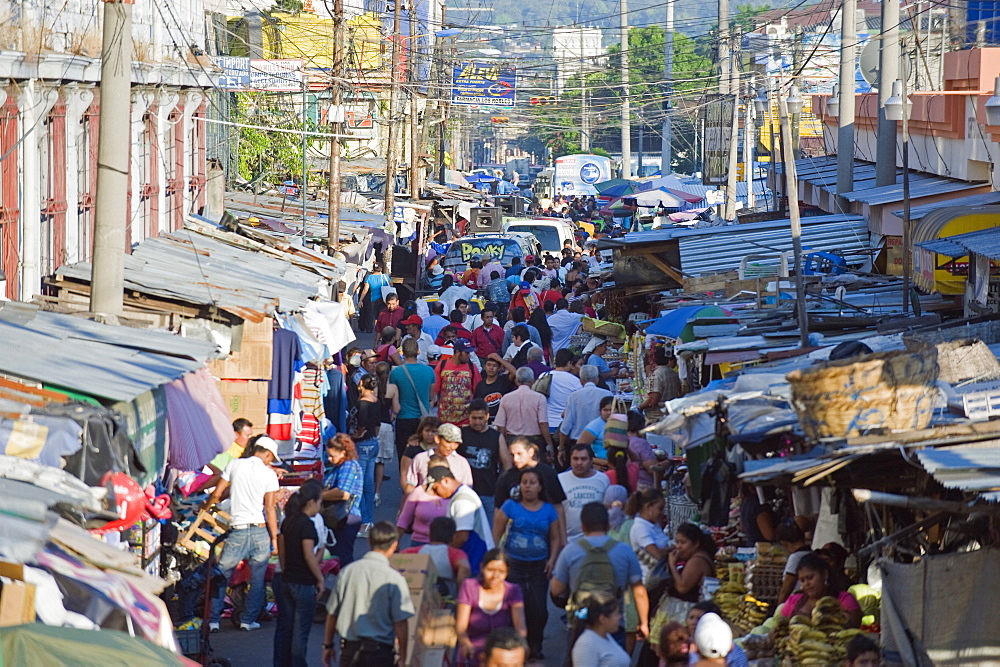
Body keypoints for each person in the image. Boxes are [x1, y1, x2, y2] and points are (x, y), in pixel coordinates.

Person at [202, 437, 281, 632]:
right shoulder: (269, 474)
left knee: (223, 574)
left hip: (237, 528)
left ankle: (213, 620)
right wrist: (274, 537)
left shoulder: (234, 464)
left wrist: (206, 507)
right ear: (268, 455)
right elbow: (270, 508)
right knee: (257, 579)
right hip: (259, 530)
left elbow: (218, 493)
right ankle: (248, 620)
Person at [551, 503, 649, 647]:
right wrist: (644, 623)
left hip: (581, 621)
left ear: (583, 527)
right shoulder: (624, 551)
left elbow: (556, 589)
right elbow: (639, 591)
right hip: (613, 622)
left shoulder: (570, 551)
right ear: (608, 526)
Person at [492, 467, 562, 662]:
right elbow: (496, 534)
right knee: (514, 607)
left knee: (538, 609)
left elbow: (556, 538)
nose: (528, 486)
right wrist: (498, 559)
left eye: (532, 482)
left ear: (540, 487)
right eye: (524, 482)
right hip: (513, 565)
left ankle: (535, 645)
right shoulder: (509, 506)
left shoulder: (548, 510)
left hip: (539, 567)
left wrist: (552, 559)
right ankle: (515, 648)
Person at [322, 522, 415, 667]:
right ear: (394, 545)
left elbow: (332, 613)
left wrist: (328, 645)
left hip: (349, 650)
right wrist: (403, 656)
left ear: (368, 541)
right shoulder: (394, 578)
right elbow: (401, 622)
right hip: (380, 653)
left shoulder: (348, 572)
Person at [274, 479, 325, 667]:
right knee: (300, 631)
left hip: (286, 579)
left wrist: (285, 567)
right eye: (319, 503)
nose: (320, 508)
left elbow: (281, 548)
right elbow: (308, 555)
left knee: (285, 627)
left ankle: (281, 663)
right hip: (303, 582)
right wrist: (320, 578)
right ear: (311, 502)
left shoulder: (288, 520)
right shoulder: (308, 525)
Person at [456, 550, 527, 666]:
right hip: (473, 649)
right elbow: (461, 626)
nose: (495, 576)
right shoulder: (469, 586)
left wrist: (518, 648)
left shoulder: (513, 590)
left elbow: (520, 626)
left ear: (507, 572)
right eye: (490, 570)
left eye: (501, 572)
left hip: (502, 650)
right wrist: (466, 644)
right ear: (481, 568)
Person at [426, 466, 496, 574]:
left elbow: (461, 537)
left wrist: (442, 555)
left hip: (476, 559)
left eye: (435, 488)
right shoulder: (461, 495)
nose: (435, 493)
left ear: (445, 481)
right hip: (473, 558)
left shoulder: (462, 500)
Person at [493, 438, 567, 532]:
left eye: (519, 454)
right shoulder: (506, 477)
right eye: (512, 455)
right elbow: (498, 509)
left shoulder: (548, 473)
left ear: (531, 452)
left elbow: (558, 506)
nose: (515, 459)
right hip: (516, 531)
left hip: (544, 529)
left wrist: (563, 536)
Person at [778, 553, 862, 627]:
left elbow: (853, 625)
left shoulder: (845, 599)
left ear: (825, 574)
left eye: (810, 578)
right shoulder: (793, 601)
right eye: (802, 580)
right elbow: (778, 628)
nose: (806, 584)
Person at [459, 400, 508, 517]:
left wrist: (502, 488)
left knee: (489, 532)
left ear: (487, 416)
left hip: (488, 492)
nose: (477, 422)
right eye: (474, 418)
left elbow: (507, 465)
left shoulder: (496, 436)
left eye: (481, 418)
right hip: (464, 492)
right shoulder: (460, 433)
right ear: (468, 416)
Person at [389, 338, 435, 462]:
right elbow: (431, 396)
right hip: (422, 418)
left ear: (402, 352)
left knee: (404, 455)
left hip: (404, 418)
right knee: (424, 455)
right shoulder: (429, 371)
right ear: (419, 351)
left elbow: (394, 396)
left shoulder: (396, 372)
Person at [401, 516, 472, 597]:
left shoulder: (412, 551)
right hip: (444, 600)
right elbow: (465, 567)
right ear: (453, 537)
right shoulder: (455, 554)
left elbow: (396, 561)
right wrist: (460, 593)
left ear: (429, 534)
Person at [322, 434, 364, 567]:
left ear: (343, 452)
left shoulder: (348, 466)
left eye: (332, 456)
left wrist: (318, 496)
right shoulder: (338, 467)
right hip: (339, 518)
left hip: (346, 517)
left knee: (342, 559)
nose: (329, 458)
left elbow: (343, 493)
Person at [494, 366, 553, 457]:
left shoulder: (506, 398)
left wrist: (501, 445)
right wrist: (549, 444)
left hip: (512, 440)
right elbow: (543, 423)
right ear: (533, 381)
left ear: (517, 381)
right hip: (533, 441)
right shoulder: (540, 398)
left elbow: (501, 426)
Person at [558, 365, 612, 465]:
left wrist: (561, 448)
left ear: (581, 380)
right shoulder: (607, 394)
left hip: (578, 445)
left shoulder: (574, 397)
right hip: (601, 446)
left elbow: (566, 426)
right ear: (596, 380)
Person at [558, 443, 612, 542]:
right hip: (568, 540)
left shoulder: (603, 479)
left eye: (583, 459)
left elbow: (607, 507)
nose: (579, 463)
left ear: (591, 461)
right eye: (575, 459)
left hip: (596, 540)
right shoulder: (559, 479)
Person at [405, 423, 474, 492]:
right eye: (448, 442)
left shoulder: (462, 462)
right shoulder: (420, 458)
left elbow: (466, 490)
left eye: (456, 443)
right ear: (437, 439)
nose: (452, 447)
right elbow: (410, 486)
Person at [569, 592, 632, 666]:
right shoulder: (587, 645)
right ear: (603, 619)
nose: (620, 617)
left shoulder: (606, 636)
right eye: (616, 614)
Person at [396, 459, 450, 547]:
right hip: (420, 542)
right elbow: (404, 519)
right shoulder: (418, 493)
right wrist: (396, 542)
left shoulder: (452, 494)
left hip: (445, 544)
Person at [353, 375, 382, 537]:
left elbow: (361, 422)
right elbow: (377, 424)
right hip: (373, 442)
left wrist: (358, 434)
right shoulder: (376, 400)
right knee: (369, 485)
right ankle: (368, 519)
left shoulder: (363, 402)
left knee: (361, 484)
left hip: (363, 444)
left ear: (362, 383)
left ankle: (364, 522)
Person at [433, 338, 481, 425]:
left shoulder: (472, 367)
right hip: (444, 421)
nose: (469, 355)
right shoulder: (442, 366)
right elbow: (434, 391)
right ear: (458, 352)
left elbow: (478, 391)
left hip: (466, 422)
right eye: (467, 353)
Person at [201, 418, 255, 492]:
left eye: (251, 435)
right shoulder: (225, 449)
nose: (250, 438)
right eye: (247, 435)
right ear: (236, 435)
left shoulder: (252, 450)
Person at [627, 488, 669, 582]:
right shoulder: (640, 528)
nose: (662, 513)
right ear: (648, 507)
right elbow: (657, 554)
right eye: (660, 509)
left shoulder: (654, 525)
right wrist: (671, 549)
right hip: (649, 581)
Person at [373, 362, 399, 505]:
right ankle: (377, 492)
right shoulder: (393, 388)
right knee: (381, 462)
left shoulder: (373, 388)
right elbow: (396, 408)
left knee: (372, 460)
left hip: (374, 425)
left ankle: (369, 491)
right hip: (387, 426)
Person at [398, 416, 441, 491]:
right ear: (421, 431)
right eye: (427, 431)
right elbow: (404, 474)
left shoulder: (442, 448)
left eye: (433, 431)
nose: (430, 434)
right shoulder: (412, 449)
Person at [543, 349, 581, 432]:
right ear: (569, 363)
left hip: (546, 423)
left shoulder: (544, 376)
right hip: (565, 425)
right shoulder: (575, 381)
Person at [639, 349, 682, 422]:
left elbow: (653, 399)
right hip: (669, 414)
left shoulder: (656, 374)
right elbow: (679, 390)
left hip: (656, 416)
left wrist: (639, 407)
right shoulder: (673, 373)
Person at [776, 523, 811, 604]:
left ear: (785, 544)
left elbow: (787, 587)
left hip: (797, 601)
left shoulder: (795, 558)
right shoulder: (812, 553)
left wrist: (779, 606)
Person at [626, 411, 659, 491]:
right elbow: (652, 469)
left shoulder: (619, 441)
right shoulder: (641, 443)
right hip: (642, 487)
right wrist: (665, 464)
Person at [577, 395, 616, 461]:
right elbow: (579, 449)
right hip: (603, 464)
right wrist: (594, 462)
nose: (609, 413)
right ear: (600, 411)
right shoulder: (595, 426)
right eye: (605, 410)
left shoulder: (621, 423)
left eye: (612, 410)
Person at [359, 263, 390, 333]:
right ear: (381, 268)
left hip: (373, 298)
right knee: (383, 314)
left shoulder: (369, 277)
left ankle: (371, 329)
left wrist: (361, 300)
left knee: (372, 315)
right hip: (384, 298)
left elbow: (365, 289)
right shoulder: (385, 277)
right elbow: (391, 284)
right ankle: (383, 330)